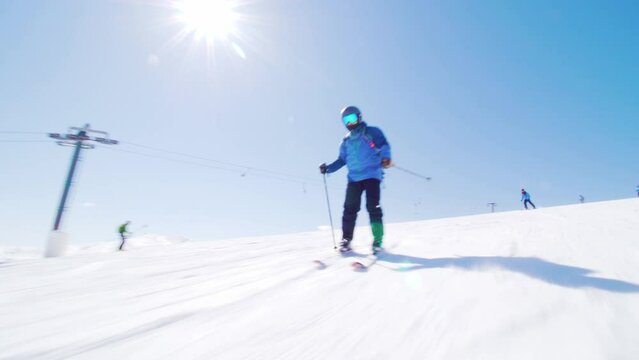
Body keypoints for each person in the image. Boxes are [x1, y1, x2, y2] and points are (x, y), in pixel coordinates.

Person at [320, 106, 391, 254]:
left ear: (359, 117)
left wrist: (385, 158)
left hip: (372, 174)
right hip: (354, 178)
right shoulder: (346, 141)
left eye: (352, 118)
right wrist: (328, 168)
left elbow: (384, 145)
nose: (350, 123)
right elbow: (341, 160)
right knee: (349, 208)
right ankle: (346, 240)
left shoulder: (372, 132)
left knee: (373, 207)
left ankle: (377, 240)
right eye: (346, 120)